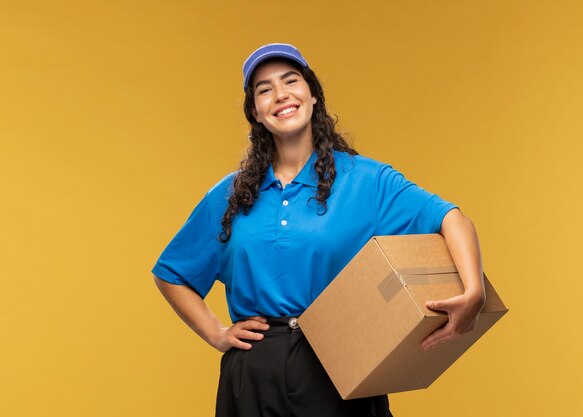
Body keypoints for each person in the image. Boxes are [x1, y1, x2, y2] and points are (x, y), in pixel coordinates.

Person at [152, 43, 486, 417]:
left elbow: (451, 219)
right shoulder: (230, 195)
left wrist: (474, 291)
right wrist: (216, 333)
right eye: (264, 89)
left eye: (290, 81)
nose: (280, 95)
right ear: (255, 113)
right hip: (253, 373)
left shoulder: (367, 180)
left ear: (312, 96)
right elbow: (171, 273)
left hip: (340, 365)